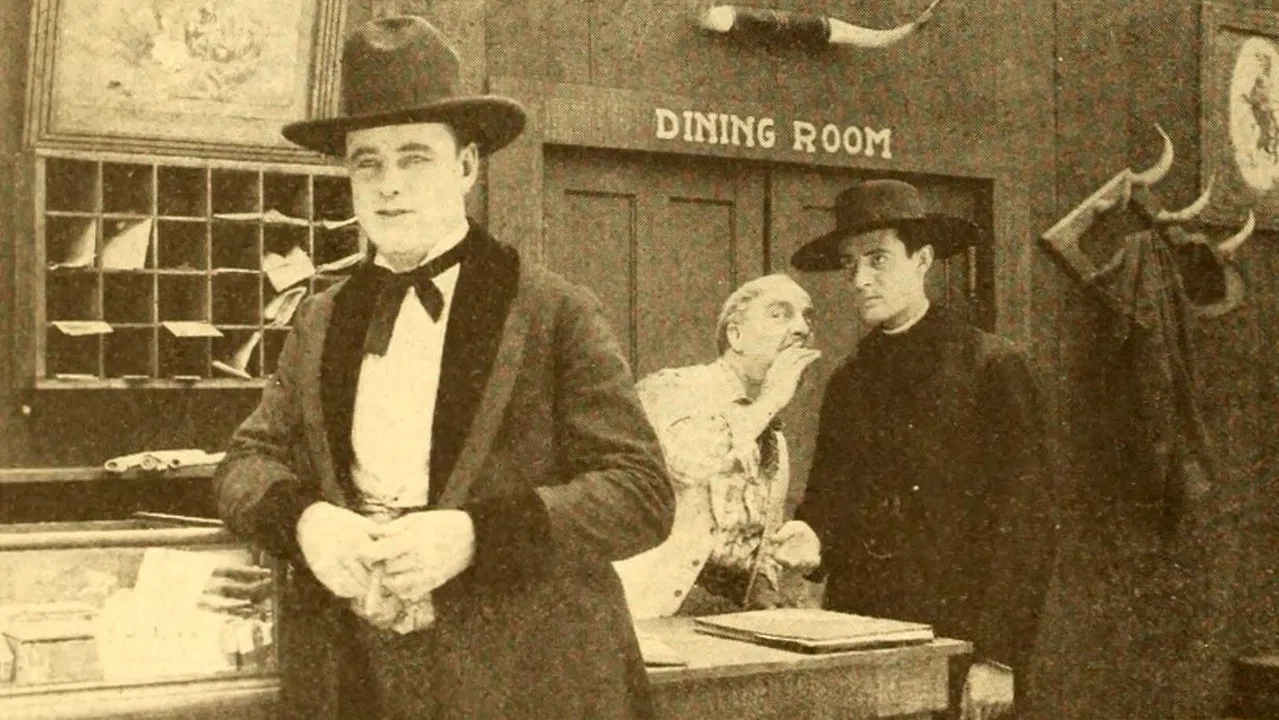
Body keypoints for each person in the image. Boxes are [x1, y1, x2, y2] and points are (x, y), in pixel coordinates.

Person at [212, 16, 674, 720]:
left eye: (415, 158)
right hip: (356, 681)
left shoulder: (554, 311)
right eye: (367, 163)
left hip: (524, 686)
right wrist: (305, 521)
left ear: (466, 167)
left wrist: (477, 536)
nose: (388, 186)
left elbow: (642, 494)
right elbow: (245, 463)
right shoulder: (323, 318)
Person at [790, 179, 1056, 720]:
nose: (860, 279)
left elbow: (1027, 522)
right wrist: (811, 538)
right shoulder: (849, 380)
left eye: (878, 259)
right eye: (848, 265)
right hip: (859, 635)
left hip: (959, 641)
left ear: (923, 260)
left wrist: (999, 657)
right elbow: (826, 505)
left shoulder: (992, 367)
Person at [614, 274, 823, 618]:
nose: (801, 328)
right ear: (735, 335)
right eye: (779, 314)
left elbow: (752, 557)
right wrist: (770, 401)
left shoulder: (773, 437)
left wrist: (784, 565)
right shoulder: (673, 388)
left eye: (807, 318)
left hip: (727, 622)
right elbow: (690, 466)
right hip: (650, 615)